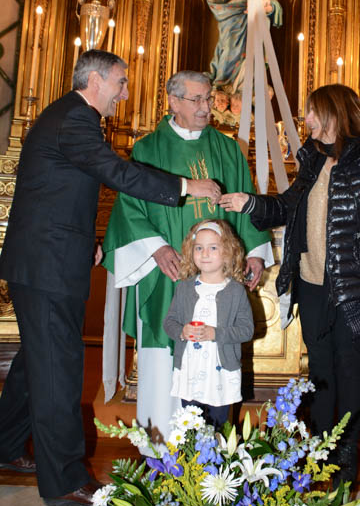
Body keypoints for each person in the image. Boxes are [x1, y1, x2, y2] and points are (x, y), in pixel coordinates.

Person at [0, 50, 220, 506]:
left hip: (48, 259)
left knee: (35, 363)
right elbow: (116, 172)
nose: (124, 93)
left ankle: (4, 444)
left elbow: (58, 194)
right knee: (59, 370)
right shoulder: (76, 118)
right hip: (46, 266)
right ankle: (64, 481)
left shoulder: (69, 116)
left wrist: (87, 242)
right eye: (120, 83)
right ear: (96, 80)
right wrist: (185, 187)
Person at [220, 84, 360, 483]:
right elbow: (287, 208)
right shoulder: (313, 161)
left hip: (353, 287)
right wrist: (250, 202)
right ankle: (319, 451)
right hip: (311, 282)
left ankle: (346, 457)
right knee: (319, 371)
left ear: (336, 113)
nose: (308, 119)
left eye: (314, 112)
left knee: (349, 370)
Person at [102, 70, 272, 446]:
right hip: (168, 273)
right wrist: (157, 248)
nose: (206, 107)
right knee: (164, 353)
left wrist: (255, 253)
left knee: (215, 353)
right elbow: (130, 207)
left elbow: (245, 202)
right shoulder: (148, 150)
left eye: (208, 99)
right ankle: (161, 448)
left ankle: (212, 456)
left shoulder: (228, 149)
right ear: (173, 102)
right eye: (196, 100)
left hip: (220, 279)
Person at [163, 219, 254, 429]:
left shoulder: (236, 291)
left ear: (228, 252)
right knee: (190, 426)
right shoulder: (184, 288)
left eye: (213, 248)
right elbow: (169, 322)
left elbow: (246, 330)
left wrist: (216, 334)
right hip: (190, 370)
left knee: (218, 426)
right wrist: (182, 331)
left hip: (220, 374)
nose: (204, 254)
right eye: (199, 248)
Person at [206, 0, 282, 93]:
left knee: (251, 53)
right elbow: (217, 1)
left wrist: (269, 7)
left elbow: (270, 2)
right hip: (231, 20)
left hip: (252, 21)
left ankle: (245, 88)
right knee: (228, 48)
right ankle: (222, 83)